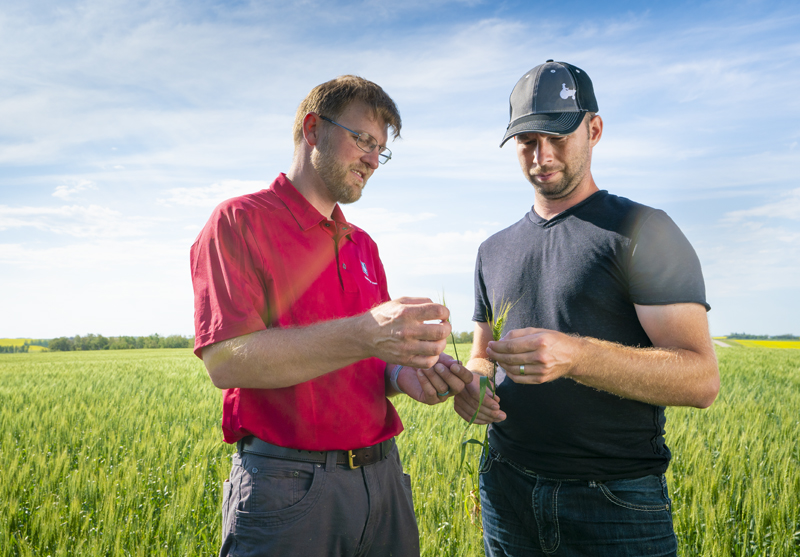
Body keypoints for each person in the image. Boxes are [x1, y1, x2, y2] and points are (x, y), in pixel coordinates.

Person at [190, 75, 472, 556]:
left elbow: (366, 361)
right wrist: (366, 333)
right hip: (288, 489)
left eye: (380, 150)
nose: (371, 159)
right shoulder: (239, 221)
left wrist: (405, 374)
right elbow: (228, 362)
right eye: (363, 139)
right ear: (313, 129)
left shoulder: (363, 245)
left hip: (383, 482)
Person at [454, 60, 720, 556]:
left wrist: (576, 356)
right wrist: (472, 385)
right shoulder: (492, 250)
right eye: (528, 141)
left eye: (558, 135)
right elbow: (482, 355)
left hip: (613, 502)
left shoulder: (644, 231)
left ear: (593, 130)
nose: (542, 155)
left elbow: (700, 380)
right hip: (505, 488)